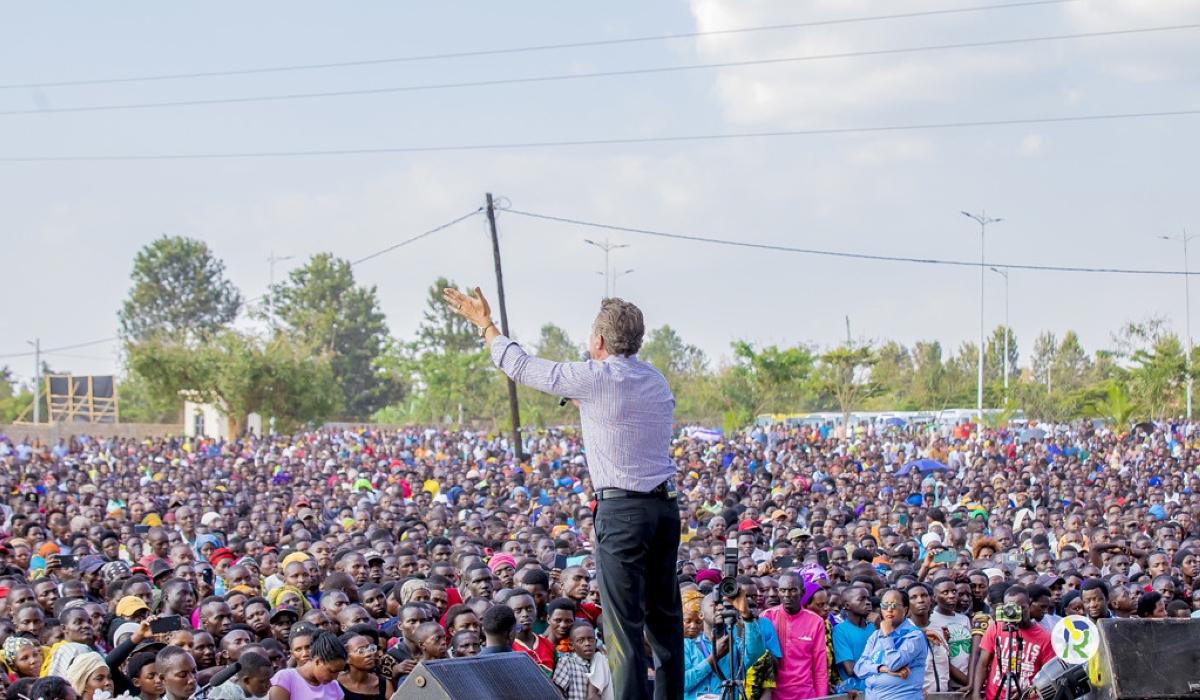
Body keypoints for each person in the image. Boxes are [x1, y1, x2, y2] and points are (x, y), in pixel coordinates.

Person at [444, 287, 682, 700]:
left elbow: (521, 366)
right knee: (664, 621)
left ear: (599, 342)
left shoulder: (595, 377)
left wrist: (486, 326)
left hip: (622, 514)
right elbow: (621, 413)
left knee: (623, 628)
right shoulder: (654, 379)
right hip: (664, 510)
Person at [970, 587, 1056, 700]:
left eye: (1021, 608)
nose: (1015, 612)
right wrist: (976, 694)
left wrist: (1029, 691)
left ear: (1029, 604)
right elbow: (982, 664)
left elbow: (1050, 677)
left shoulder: (1045, 638)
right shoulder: (995, 628)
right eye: (1010, 608)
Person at [762, 571, 828, 700]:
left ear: (802, 592)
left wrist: (821, 698)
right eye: (782, 590)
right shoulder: (766, 618)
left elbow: (820, 668)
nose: (787, 595)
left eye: (792, 590)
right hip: (774, 694)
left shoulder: (816, 622)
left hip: (805, 694)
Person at [854, 589, 926, 700]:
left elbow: (894, 663)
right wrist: (883, 669)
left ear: (905, 609)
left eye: (894, 605)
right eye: (885, 605)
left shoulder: (915, 635)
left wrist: (887, 636)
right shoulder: (876, 635)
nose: (889, 609)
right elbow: (859, 668)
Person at [269, 630, 347, 700]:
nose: (335, 677)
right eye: (332, 672)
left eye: (338, 672)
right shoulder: (285, 679)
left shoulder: (333, 685)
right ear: (318, 661)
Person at [831, 585, 875, 696]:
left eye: (868, 598)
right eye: (861, 599)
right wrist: (881, 669)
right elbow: (851, 669)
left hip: (878, 690)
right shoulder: (840, 631)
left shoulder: (875, 627)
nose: (868, 602)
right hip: (857, 693)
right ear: (847, 605)